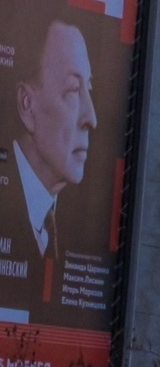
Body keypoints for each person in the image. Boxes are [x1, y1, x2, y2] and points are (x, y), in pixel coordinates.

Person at [1, 19, 102, 323]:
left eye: (89, 88)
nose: (92, 118)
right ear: (27, 105)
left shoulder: (82, 225)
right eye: (73, 89)